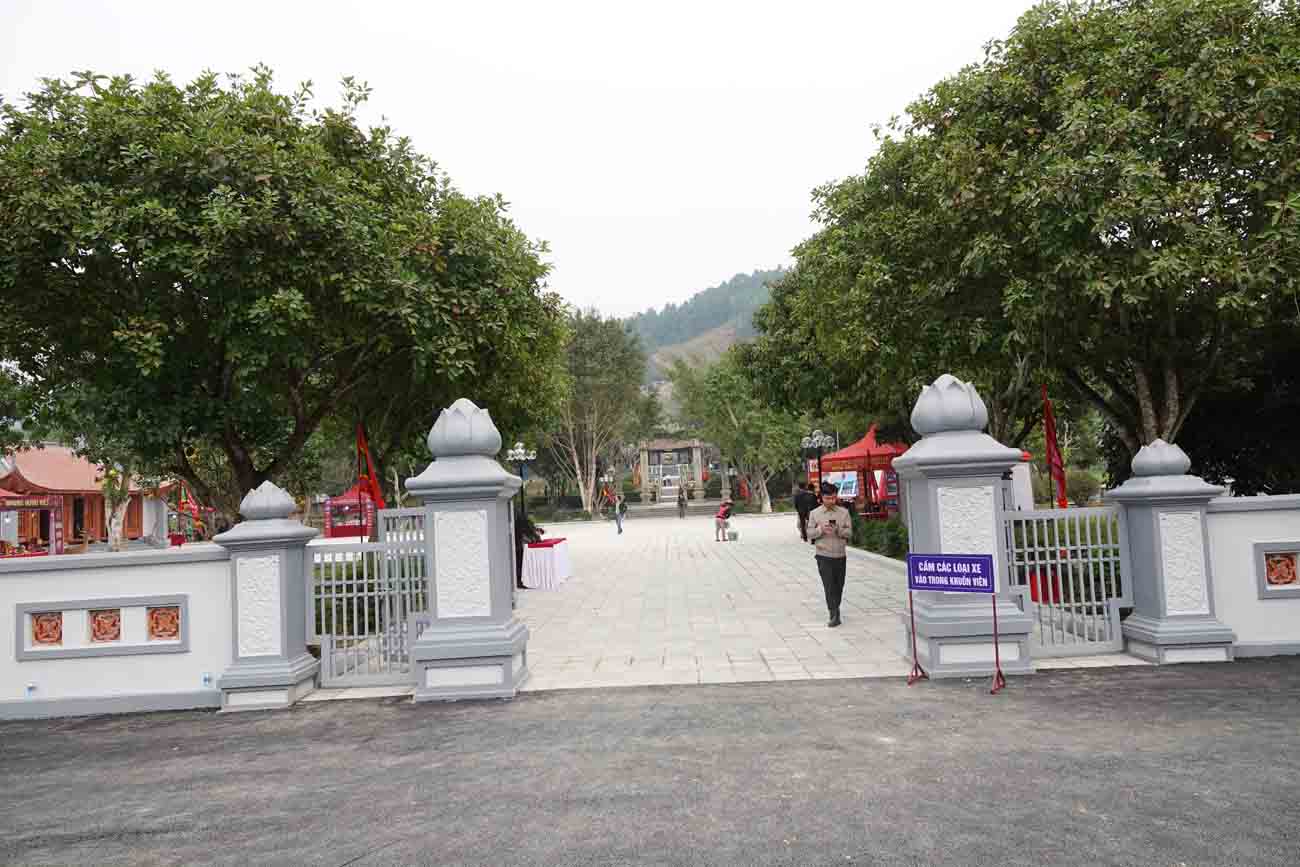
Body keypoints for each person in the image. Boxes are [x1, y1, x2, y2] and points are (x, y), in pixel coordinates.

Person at [807, 482, 852, 627]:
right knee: (829, 585)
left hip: (840, 555)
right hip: (823, 555)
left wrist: (838, 530)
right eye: (828, 498)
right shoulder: (815, 513)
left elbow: (850, 533)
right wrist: (820, 530)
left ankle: (835, 607)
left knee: (839, 585)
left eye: (833, 498)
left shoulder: (843, 513)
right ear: (822, 498)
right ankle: (834, 613)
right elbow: (809, 533)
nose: (831, 501)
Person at [513, 502, 543, 590]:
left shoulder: (518, 515)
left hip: (518, 542)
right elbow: (527, 530)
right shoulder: (520, 517)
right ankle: (520, 581)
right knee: (519, 561)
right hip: (517, 543)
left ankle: (522, 580)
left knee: (520, 561)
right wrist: (535, 535)